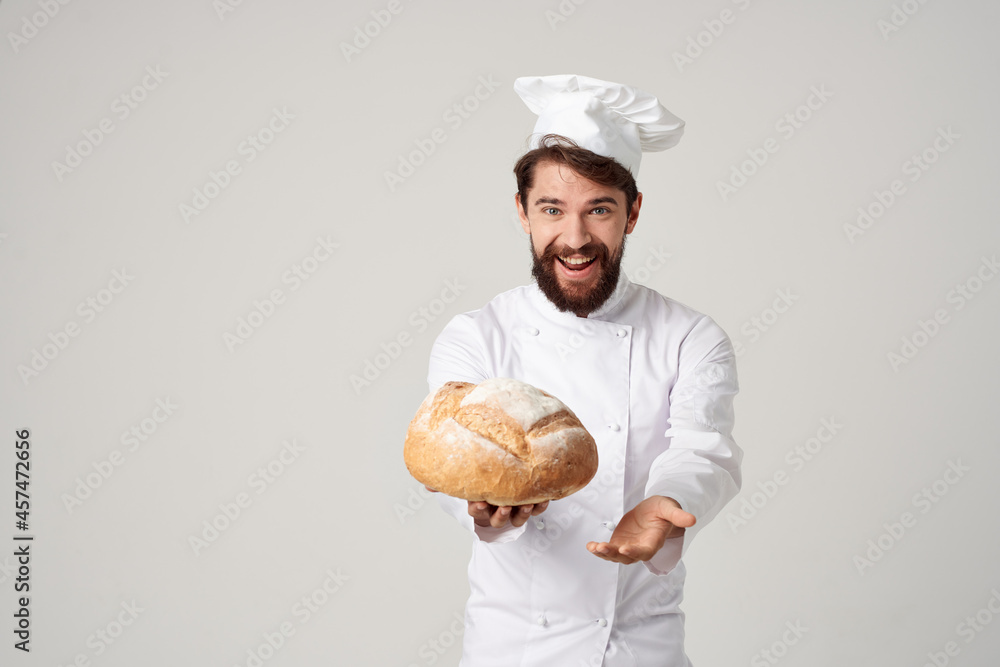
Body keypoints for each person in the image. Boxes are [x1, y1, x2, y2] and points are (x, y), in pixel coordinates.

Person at [423, 74, 742, 667]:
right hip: (511, 649)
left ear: (633, 212)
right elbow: (450, 457)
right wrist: (482, 507)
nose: (574, 239)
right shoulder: (476, 336)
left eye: (599, 209)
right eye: (552, 209)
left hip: (639, 646)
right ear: (522, 212)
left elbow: (702, 451)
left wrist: (666, 500)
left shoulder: (690, 337)